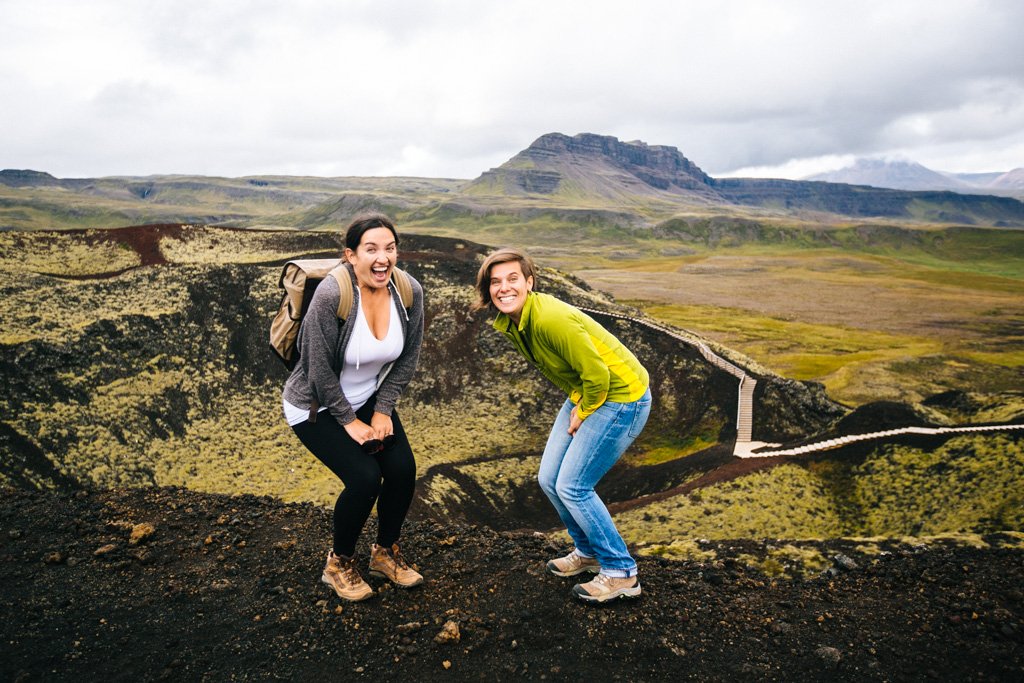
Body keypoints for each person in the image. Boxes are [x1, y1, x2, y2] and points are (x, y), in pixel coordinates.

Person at [473, 247, 652, 603]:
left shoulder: (549, 318)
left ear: (529, 282)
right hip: (586, 391)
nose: (503, 288)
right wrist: (580, 400)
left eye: (512, 279)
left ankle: (620, 572)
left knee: (573, 485)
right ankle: (587, 553)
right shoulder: (514, 320)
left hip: (620, 397)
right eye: (495, 282)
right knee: (549, 479)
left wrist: (584, 409)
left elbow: (598, 374)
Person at [283, 213, 425, 602]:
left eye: (390, 248)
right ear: (351, 255)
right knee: (364, 478)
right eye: (372, 249)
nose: (383, 258)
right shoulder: (333, 296)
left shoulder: (409, 291)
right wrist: (349, 421)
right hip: (315, 405)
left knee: (401, 470)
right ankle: (339, 563)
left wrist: (382, 410)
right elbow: (315, 369)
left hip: (367, 399)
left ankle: (384, 554)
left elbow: (408, 357)